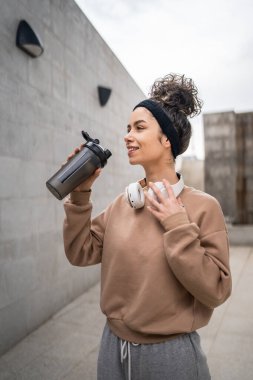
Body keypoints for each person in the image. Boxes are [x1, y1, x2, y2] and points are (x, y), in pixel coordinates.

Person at [63, 73, 232, 380]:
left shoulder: (204, 207)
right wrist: (80, 193)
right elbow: (80, 252)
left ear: (167, 139)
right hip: (112, 349)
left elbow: (216, 290)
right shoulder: (123, 203)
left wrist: (177, 224)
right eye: (127, 128)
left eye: (139, 128)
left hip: (171, 356)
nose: (127, 135)